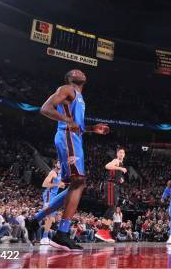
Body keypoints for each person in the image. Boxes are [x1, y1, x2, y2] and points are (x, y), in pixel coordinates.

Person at [28, 69, 110, 251]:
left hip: (74, 138)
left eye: (81, 71)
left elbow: (77, 125)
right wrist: (66, 119)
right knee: (78, 182)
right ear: (69, 78)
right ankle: (61, 233)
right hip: (67, 137)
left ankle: (35, 220)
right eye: (75, 71)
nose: (79, 71)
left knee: (76, 184)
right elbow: (45, 108)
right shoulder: (67, 89)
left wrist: (92, 128)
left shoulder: (79, 97)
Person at [96, 147, 127, 243]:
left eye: (123, 152)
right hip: (111, 185)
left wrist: (120, 179)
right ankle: (102, 231)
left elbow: (114, 174)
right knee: (112, 207)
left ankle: (104, 231)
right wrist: (120, 168)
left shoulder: (120, 163)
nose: (122, 154)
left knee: (113, 208)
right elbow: (107, 166)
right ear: (117, 154)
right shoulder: (116, 160)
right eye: (120, 152)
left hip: (115, 185)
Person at [39, 160, 65, 245]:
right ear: (55, 164)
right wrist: (57, 185)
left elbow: (59, 183)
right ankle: (42, 236)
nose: (60, 164)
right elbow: (44, 184)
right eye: (58, 163)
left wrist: (61, 184)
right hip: (48, 195)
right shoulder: (52, 173)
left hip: (54, 196)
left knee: (51, 218)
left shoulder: (61, 173)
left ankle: (45, 237)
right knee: (49, 216)